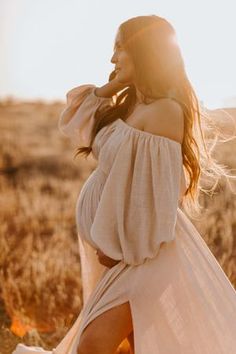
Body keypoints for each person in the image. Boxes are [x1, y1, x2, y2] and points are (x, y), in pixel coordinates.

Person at [13, 14, 236, 354]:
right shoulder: (134, 104)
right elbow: (76, 118)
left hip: (143, 253)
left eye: (119, 49)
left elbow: (152, 198)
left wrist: (118, 246)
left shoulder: (165, 112)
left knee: (94, 345)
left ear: (144, 52)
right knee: (137, 344)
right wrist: (111, 87)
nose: (112, 59)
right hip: (125, 252)